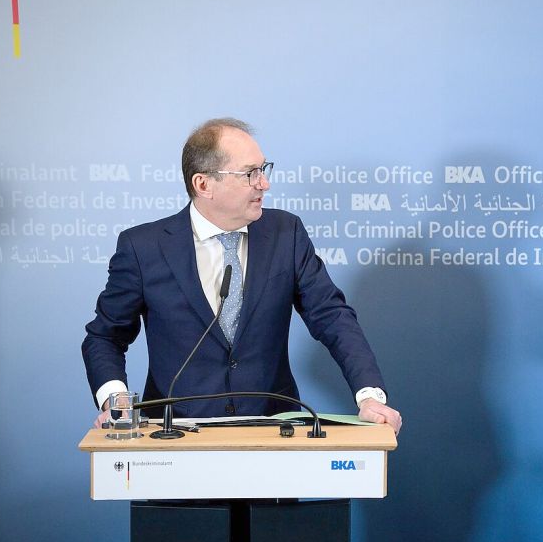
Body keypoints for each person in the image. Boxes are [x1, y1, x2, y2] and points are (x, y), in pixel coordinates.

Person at [83, 118, 401, 433]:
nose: (264, 184)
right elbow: (105, 336)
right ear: (204, 184)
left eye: (263, 169)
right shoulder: (144, 248)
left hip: (273, 428)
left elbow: (331, 316)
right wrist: (115, 400)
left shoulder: (286, 234)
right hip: (175, 432)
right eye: (250, 173)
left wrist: (369, 395)